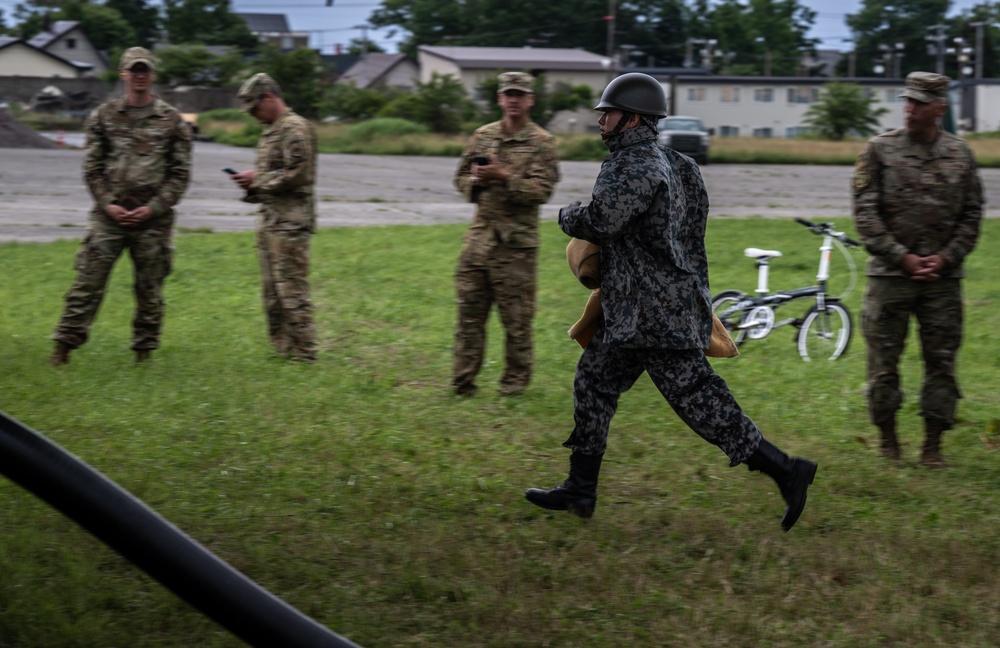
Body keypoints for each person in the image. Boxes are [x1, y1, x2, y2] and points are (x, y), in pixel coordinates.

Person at [524, 73, 816, 531]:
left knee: (699, 401)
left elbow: (602, 221)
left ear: (633, 118)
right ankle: (580, 488)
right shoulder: (682, 164)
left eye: (609, 114)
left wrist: (568, 216)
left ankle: (786, 470)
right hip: (649, 307)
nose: (601, 121)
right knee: (594, 380)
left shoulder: (631, 164)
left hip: (650, 314)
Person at [852, 71, 983, 467]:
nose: (910, 108)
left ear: (940, 108)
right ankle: (889, 440)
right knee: (883, 364)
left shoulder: (961, 155)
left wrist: (945, 258)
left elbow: (972, 213)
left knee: (942, 364)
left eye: (920, 102)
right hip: (889, 279)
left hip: (942, 281)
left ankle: (933, 447)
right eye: (907, 101)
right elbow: (865, 212)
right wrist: (901, 256)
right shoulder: (879, 150)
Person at [49, 47, 192, 366]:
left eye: (145, 70)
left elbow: (180, 174)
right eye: (134, 69)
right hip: (108, 219)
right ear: (123, 73)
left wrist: (153, 208)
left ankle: (144, 352)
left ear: (153, 75)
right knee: (87, 282)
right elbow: (92, 168)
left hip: (152, 221)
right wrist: (108, 204)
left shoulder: (172, 121)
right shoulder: (103, 116)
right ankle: (63, 348)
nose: (140, 74)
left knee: (149, 289)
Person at [452, 71, 560, 396]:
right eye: (508, 94)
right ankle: (462, 383)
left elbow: (541, 191)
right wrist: (474, 183)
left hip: (516, 247)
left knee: (517, 322)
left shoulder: (542, 142)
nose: (513, 99)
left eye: (520, 94)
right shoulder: (482, 136)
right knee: (469, 317)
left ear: (530, 100)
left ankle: (513, 387)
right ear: (500, 99)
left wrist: (503, 176)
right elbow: (459, 176)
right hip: (479, 242)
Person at [230, 73, 319, 362]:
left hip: (290, 223)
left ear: (269, 97)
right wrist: (254, 181)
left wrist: (258, 182)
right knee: (272, 293)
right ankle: (284, 348)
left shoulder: (294, 128)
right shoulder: (273, 128)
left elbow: (297, 173)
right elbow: (275, 173)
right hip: (271, 220)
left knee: (291, 290)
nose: (254, 116)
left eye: (255, 109)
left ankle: (304, 353)